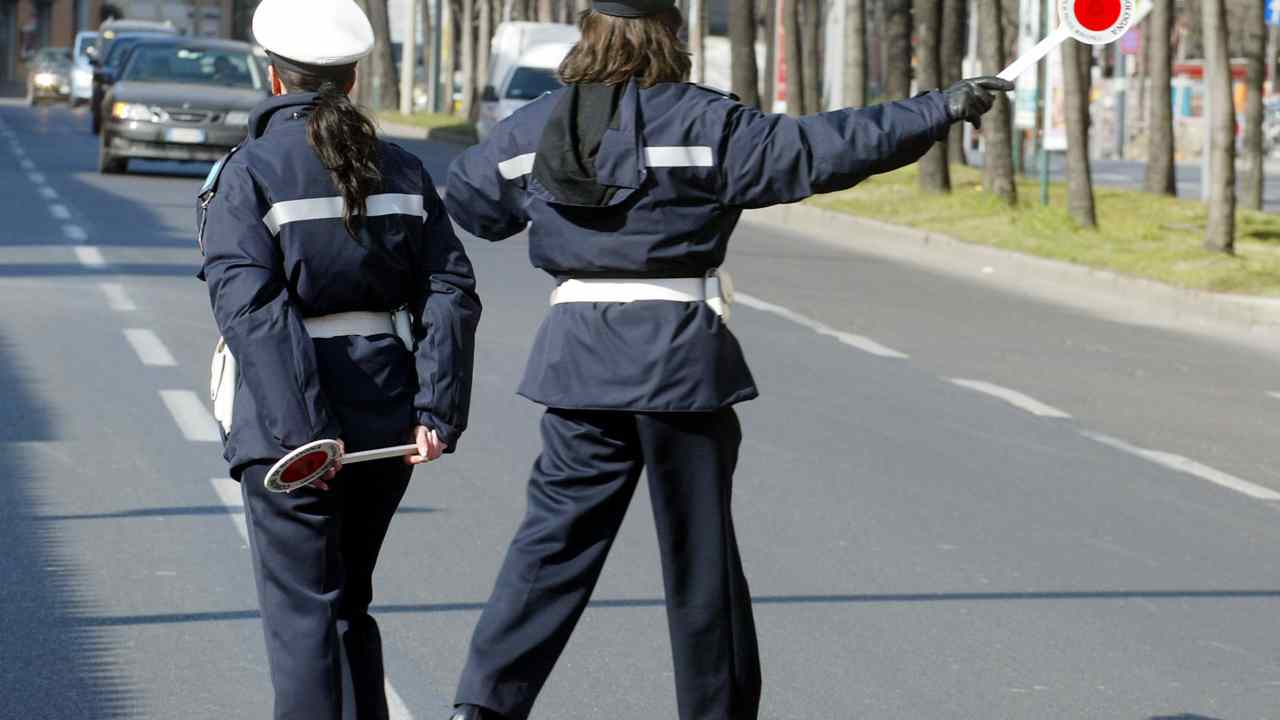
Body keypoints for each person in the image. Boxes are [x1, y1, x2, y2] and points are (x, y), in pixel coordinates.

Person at [440, 1, 1010, 718]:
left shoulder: (537, 126)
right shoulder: (708, 122)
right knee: (700, 562)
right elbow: (824, 148)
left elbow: (472, 200)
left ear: (590, 34)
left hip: (578, 363)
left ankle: (482, 708)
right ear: (670, 37)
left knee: (549, 552)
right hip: (680, 363)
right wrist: (938, 109)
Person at [197, 0, 481, 717]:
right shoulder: (404, 168)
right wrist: (436, 409)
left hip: (286, 428)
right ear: (352, 78)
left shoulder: (248, 172)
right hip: (387, 415)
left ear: (273, 76)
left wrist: (303, 437)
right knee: (349, 600)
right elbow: (450, 289)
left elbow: (253, 312)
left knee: (303, 616)